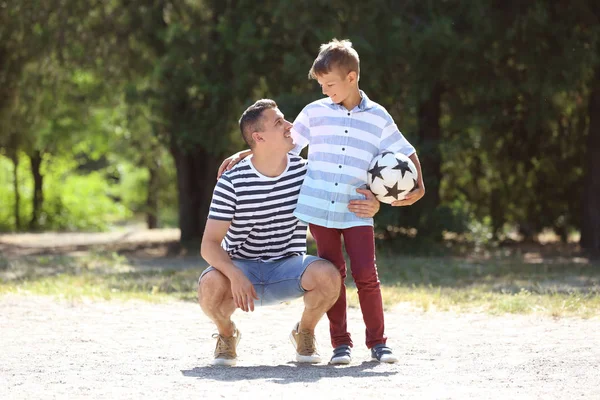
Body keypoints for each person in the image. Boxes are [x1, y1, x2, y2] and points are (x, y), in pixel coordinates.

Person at [218, 39, 425, 365]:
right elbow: (284, 145)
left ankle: (378, 343)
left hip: (357, 209)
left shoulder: (378, 117)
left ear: (352, 77)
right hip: (319, 211)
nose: (326, 90)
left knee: (367, 275)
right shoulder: (315, 112)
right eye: (322, 85)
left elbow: (405, 150)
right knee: (335, 274)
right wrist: (246, 152)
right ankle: (340, 344)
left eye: (330, 84)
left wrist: (420, 185)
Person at [199, 99, 381, 366]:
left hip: (289, 267)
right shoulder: (232, 181)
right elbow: (209, 245)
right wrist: (234, 274)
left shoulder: (307, 173)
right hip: (242, 269)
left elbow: (347, 192)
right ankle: (227, 334)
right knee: (209, 285)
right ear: (258, 137)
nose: (290, 126)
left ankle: (304, 331)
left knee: (330, 276)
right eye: (279, 122)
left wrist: (373, 203)